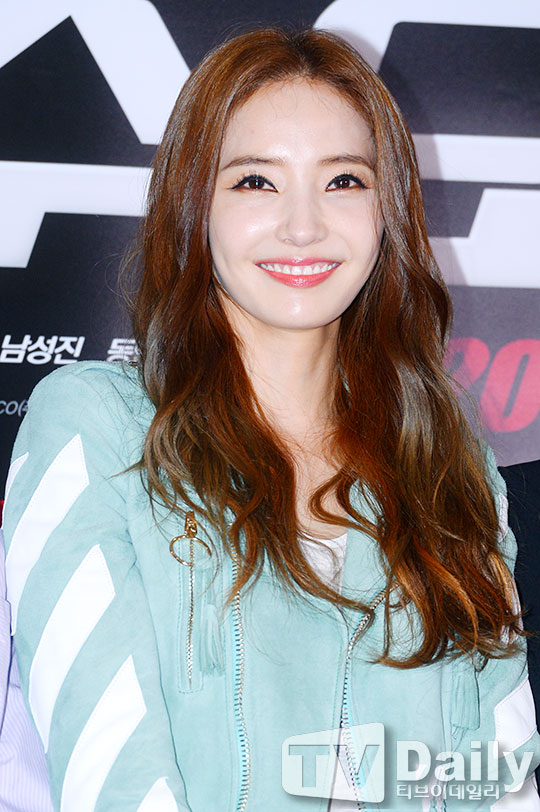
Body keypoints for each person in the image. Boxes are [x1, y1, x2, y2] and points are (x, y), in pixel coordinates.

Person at [2, 27, 540, 811]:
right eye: (256, 181)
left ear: (387, 210)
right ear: (195, 205)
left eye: (344, 181)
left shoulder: (448, 465)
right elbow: (110, 777)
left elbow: (498, 778)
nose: (303, 226)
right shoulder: (95, 428)